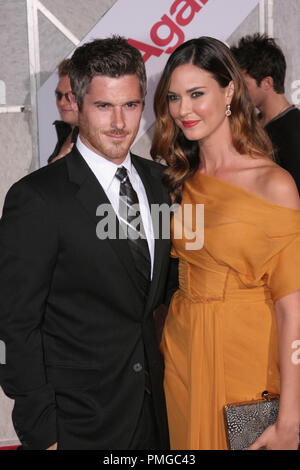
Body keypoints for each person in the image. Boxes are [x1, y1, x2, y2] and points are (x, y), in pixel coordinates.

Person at [0, 36, 174, 450]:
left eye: (130, 105)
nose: (119, 122)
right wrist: (42, 431)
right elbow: (13, 323)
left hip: (156, 416)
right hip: (77, 424)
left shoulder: (160, 184)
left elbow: (156, 291)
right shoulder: (37, 198)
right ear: (77, 105)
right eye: (103, 106)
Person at [151, 36, 300, 450]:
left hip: (246, 355)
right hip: (182, 354)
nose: (183, 110)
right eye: (175, 97)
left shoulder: (273, 183)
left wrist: (291, 419)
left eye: (197, 94)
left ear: (230, 90)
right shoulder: (178, 180)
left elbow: (293, 307)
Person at [231, 34, 300, 193]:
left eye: (244, 84)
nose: (237, 92)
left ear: (267, 83)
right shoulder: (250, 124)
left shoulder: (295, 130)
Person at [48, 58, 79, 164]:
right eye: (59, 95)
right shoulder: (65, 132)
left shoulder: (96, 141)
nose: (61, 102)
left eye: (70, 96)